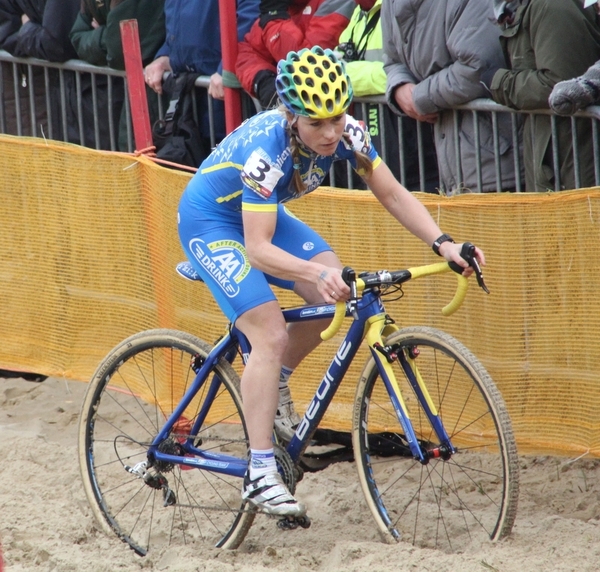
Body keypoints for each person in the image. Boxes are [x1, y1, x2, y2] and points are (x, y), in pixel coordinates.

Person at [177, 46, 486, 515]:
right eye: (316, 122)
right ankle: (259, 472)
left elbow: (393, 194)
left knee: (340, 292)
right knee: (269, 330)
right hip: (211, 222)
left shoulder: (349, 133)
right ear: (291, 115)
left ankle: (275, 381)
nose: (329, 133)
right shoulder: (269, 149)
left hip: (260, 215)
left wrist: (443, 243)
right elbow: (258, 249)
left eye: (337, 118)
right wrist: (315, 273)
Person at [382, 0, 520, 194]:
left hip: (495, 159)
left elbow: (478, 66)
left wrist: (420, 97)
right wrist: (399, 87)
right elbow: (392, 59)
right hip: (445, 164)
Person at [486, 0, 600, 192]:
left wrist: (500, 82)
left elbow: (560, 85)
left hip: (572, 163)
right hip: (552, 158)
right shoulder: (526, 6)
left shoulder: (553, 5)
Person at [333, 0, 439, 191]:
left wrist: (346, 74)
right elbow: (333, 70)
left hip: (412, 147)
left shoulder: (397, 7)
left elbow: (412, 72)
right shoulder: (359, 13)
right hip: (380, 141)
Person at [144, 0, 260, 161]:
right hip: (191, 95)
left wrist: (228, 67)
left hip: (226, 96)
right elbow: (177, 19)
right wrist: (166, 54)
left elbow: (252, 18)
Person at [70, 0, 166, 151]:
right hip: (117, 98)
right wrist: (106, 34)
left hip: (153, 97)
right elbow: (76, 37)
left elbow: (119, 51)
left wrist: (101, 33)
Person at [236, 0, 356, 110]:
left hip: (336, 115)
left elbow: (307, 62)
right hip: (304, 118)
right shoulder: (284, 5)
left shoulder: (336, 2)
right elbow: (248, 52)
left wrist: (274, 18)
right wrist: (263, 79)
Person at [0, 0, 79, 140]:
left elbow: (56, 42)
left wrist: (28, 31)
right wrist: (31, 34)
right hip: (24, 82)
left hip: (63, 87)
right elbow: (7, 33)